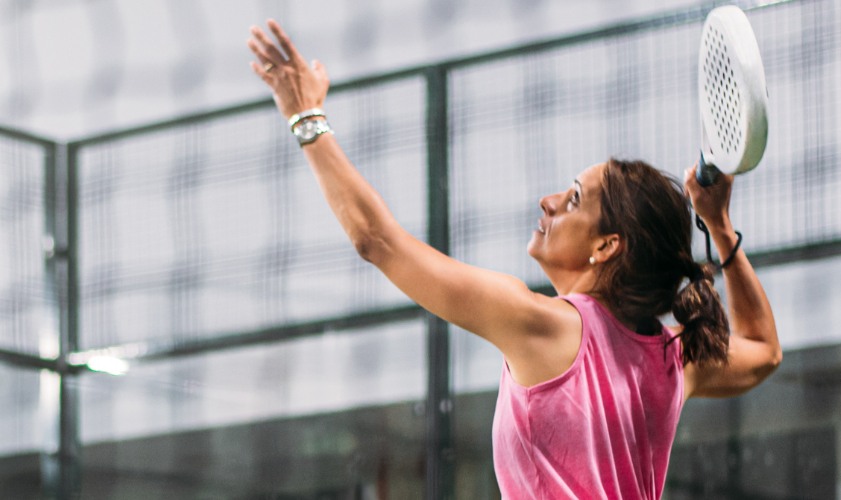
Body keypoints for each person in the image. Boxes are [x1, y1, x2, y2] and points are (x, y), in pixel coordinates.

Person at [247, 19, 781, 499]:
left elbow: (377, 242)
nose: (548, 202)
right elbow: (764, 350)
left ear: (606, 247)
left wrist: (306, 117)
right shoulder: (672, 360)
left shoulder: (542, 325)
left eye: (574, 199)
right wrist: (719, 224)